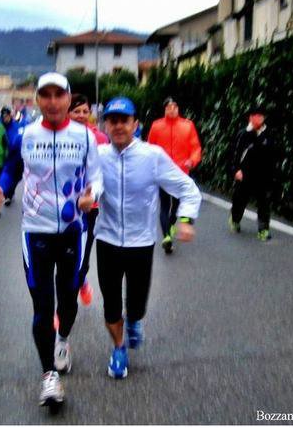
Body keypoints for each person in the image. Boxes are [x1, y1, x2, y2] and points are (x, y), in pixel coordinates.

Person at [0, 72, 103, 410]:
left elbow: (96, 177)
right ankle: (49, 376)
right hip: (35, 231)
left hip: (73, 231)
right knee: (42, 307)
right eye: (46, 95)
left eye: (58, 95)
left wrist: (92, 195)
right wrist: (1, 190)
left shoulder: (85, 137)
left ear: (68, 98)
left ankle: (63, 338)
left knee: (67, 300)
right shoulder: (24, 135)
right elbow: (11, 170)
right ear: (38, 100)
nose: (52, 102)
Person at [95, 96, 201, 379]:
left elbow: (187, 188)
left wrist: (185, 219)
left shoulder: (152, 157)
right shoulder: (98, 155)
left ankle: (134, 320)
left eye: (124, 120)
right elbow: (82, 184)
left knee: (137, 303)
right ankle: (119, 349)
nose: (118, 126)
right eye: (113, 121)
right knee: (110, 305)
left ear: (135, 124)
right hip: (107, 241)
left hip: (141, 243)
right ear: (106, 125)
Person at [67, 94, 109, 307]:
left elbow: (104, 172)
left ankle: (80, 281)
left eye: (85, 111)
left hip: (90, 207)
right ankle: (70, 292)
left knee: (83, 253)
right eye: (76, 111)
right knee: (64, 256)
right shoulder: (59, 137)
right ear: (68, 113)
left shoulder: (99, 138)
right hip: (64, 206)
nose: (81, 115)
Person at [147, 97, 202, 254]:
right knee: (164, 205)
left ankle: (171, 224)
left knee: (176, 207)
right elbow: (150, 148)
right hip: (163, 175)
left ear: (178, 109)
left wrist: (192, 160)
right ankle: (167, 237)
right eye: (169, 107)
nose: (172, 109)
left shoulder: (187, 126)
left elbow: (196, 147)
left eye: (175, 106)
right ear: (164, 109)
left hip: (181, 174)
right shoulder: (156, 126)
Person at [228, 108, 275, 241]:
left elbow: (273, 156)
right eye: (255, 115)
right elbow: (234, 153)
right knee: (239, 200)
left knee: (264, 203)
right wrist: (235, 170)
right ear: (250, 118)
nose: (258, 118)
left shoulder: (269, 135)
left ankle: (263, 230)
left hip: (263, 176)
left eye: (261, 116)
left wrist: (272, 176)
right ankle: (235, 220)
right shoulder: (243, 134)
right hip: (245, 174)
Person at [0, 106, 21, 206]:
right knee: (5, 176)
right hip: (4, 158)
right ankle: (7, 195)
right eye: (4, 116)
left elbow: (20, 139)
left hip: (17, 157)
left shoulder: (16, 126)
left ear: (10, 116)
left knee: (17, 177)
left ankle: (10, 192)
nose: (5, 118)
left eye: (7, 116)